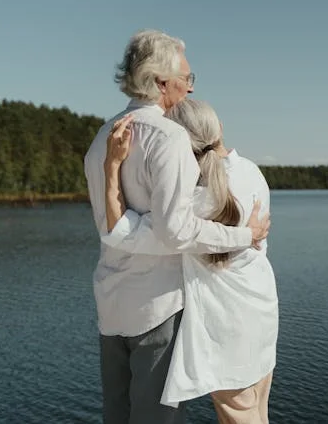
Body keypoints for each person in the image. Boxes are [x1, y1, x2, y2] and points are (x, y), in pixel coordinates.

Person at [83, 30, 270, 424]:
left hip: (111, 300)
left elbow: (109, 224)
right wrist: (244, 236)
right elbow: (177, 231)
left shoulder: (102, 137)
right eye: (186, 78)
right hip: (158, 306)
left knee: (117, 413)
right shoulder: (170, 138)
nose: (189, 87)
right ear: (160, 82)